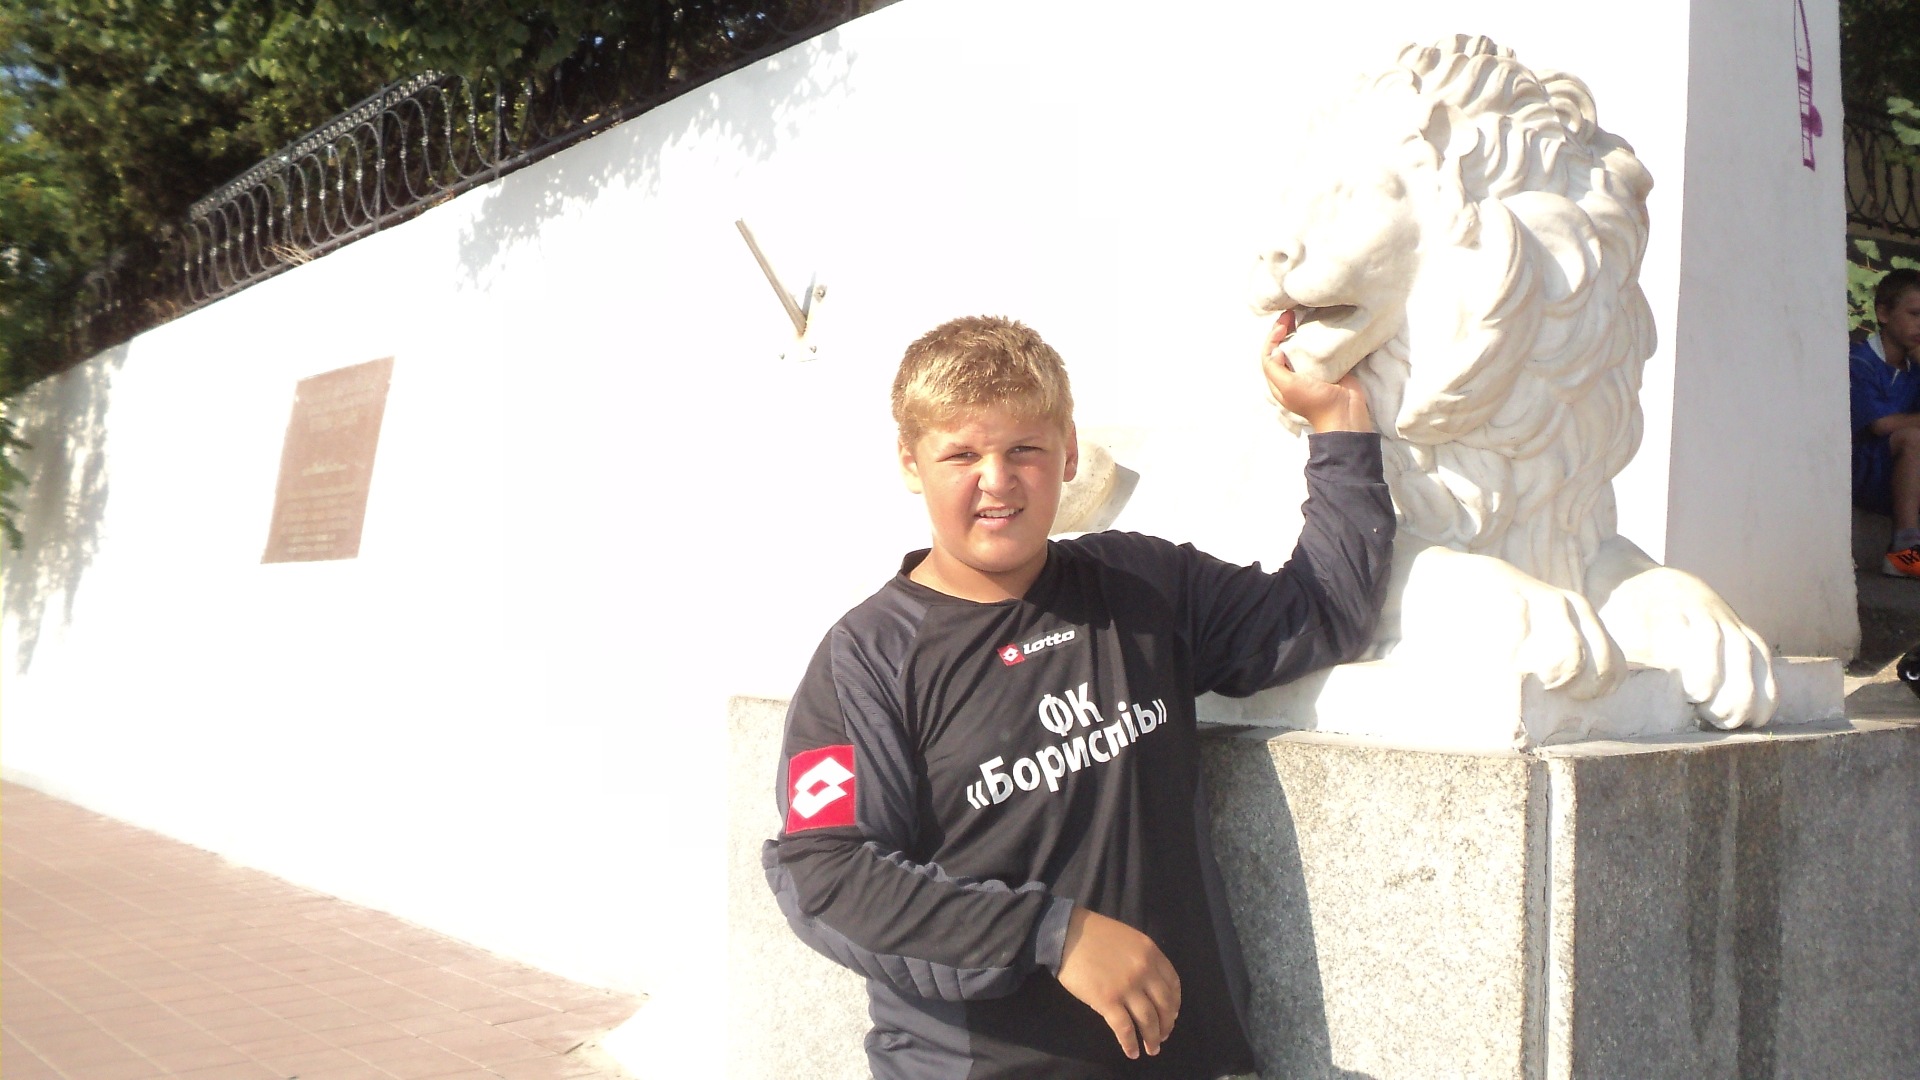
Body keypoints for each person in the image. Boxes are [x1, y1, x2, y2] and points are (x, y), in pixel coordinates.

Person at [763, 313, 1393, 1079]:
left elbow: (1321, 612)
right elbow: (825, 876)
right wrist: (1051, 933)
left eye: (1023, 449)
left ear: (1067, 451)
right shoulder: (867, 660)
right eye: (962, 454)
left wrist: (1339, 426)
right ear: (910, 461)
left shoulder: (1141, 587)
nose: (997, 480)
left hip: (1187, 1060)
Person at [1851, 267, 1920, 578]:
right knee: (1912, 437)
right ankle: (1904, 550)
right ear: (1883, 314)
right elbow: (1881, 425)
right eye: (1914, 314)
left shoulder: (1914, 365)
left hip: (1904, 476)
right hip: (1863, 473)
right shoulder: (1860, 361)